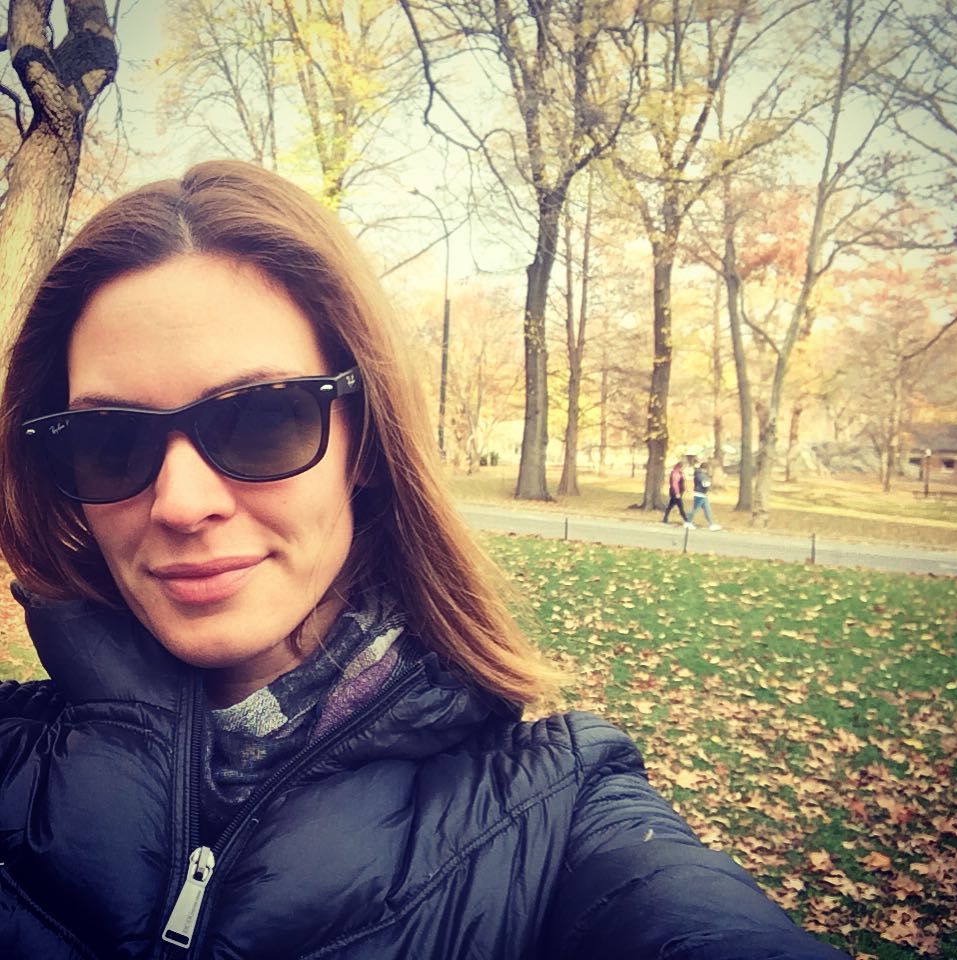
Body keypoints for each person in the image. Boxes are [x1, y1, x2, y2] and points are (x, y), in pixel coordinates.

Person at [0, 161, 847, 959]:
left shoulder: (557, 816)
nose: (182, 503)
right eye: (107, 439)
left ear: (365, 443)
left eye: (261, 418)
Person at [691, 459, 722, 530]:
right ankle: (688, 522)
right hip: (699, 494)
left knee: (708, 510)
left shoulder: (701, 474)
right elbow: (705, 484)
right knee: (695, 510)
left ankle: (712, 524)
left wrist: (712, 489)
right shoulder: (700, 475)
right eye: (708, 469)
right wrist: (709, 485)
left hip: (703, 494)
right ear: (705, 469)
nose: (708, 470)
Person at [662, 460, 694, 527]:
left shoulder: (679, 473)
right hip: (676, 493)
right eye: (683, 467)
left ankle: (665, 519)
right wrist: (677, 493)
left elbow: (681, 483)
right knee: (680, 507)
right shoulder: (676, 473)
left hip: (676, 492)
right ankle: (686, 520)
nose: (684, 469)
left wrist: (685, 489)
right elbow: (675, 484)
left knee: (670, 506)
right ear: (680, 467)